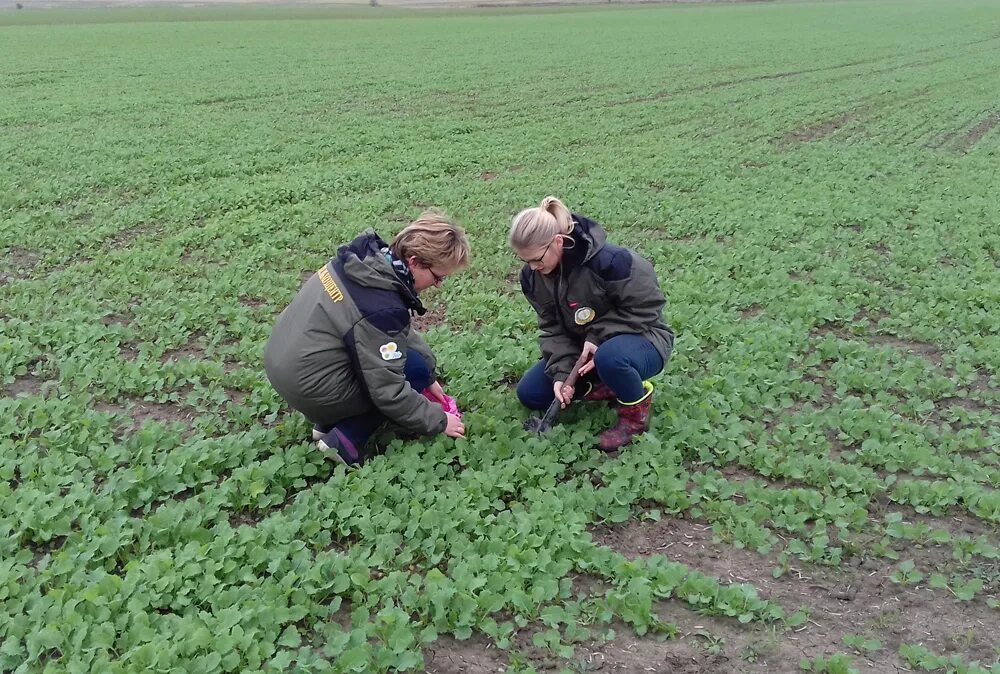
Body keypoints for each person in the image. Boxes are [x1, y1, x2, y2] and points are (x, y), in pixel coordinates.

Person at [264, 211, 470, 466]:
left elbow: (395, 330)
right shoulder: (381, 306)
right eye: (438, 277)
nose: (438, 285)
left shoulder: (364, 261)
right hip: (310, 388)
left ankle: (327, 422)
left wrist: (429, 374)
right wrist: (439, 420)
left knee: (417, 367)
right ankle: (345, 441)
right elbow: (388, 391)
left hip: (285, 365)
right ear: (415, 262)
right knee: (408, 373)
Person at [510, 197, 674, 451]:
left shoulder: (613, 262)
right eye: (525, 261)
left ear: (558, 242)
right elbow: (552, 328)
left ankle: (634, 419)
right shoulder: (532, 277)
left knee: (611, 358)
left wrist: (598, 337)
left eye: (537, 259)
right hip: (584, 352)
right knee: (530, 394)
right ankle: (611, 384)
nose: (532, 267)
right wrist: (563, 374)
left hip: (644, 338)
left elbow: (647, 308)